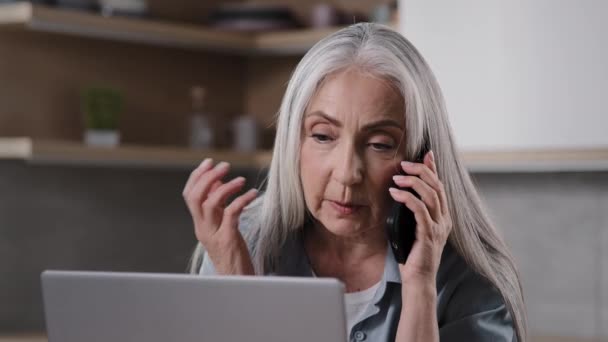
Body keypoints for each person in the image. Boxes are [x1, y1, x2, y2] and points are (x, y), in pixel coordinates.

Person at [182, 23, 527, 342]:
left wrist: (420, 287)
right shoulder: (244, 245)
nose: (347, 173)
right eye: (322, 136)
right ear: (293, 142)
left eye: (380, 144)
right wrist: (240, 291)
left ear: (423, 158)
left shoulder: (465, 282)